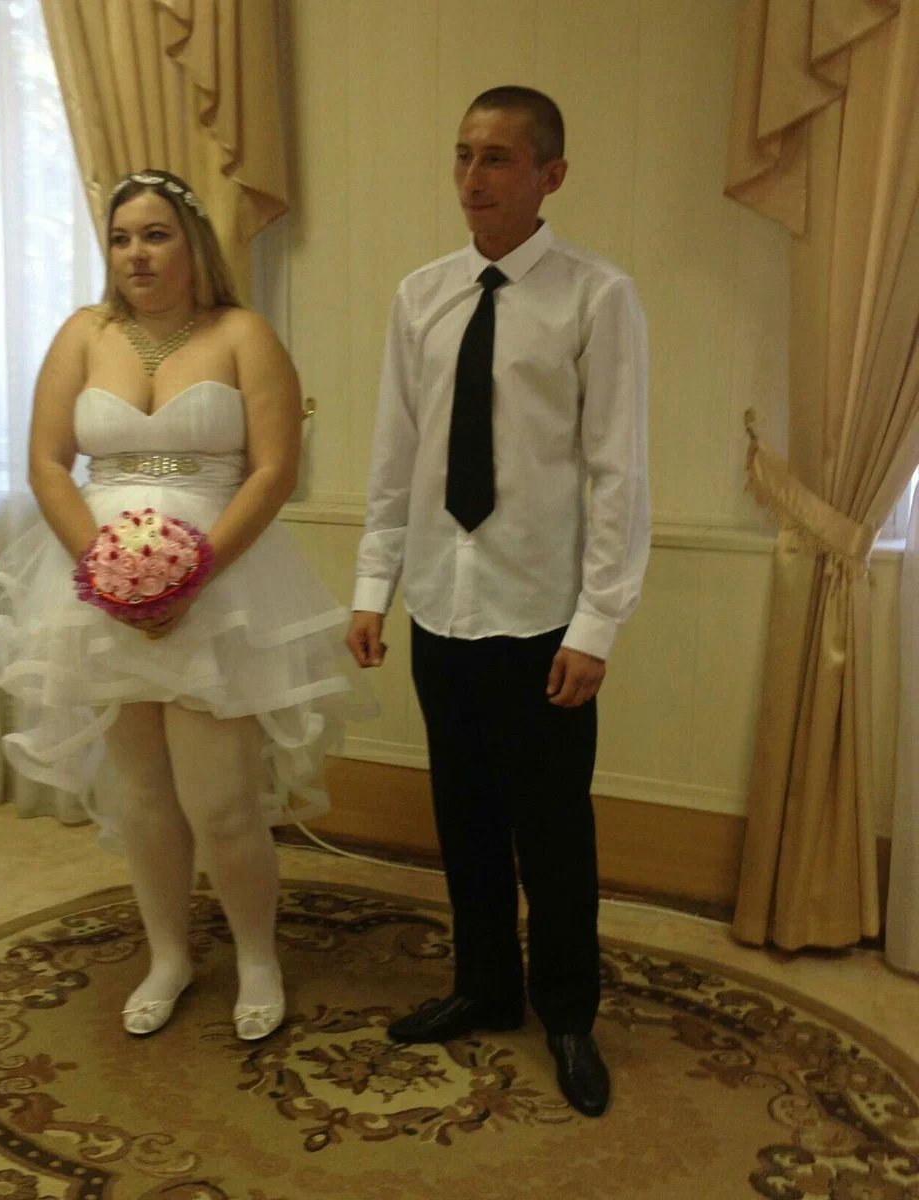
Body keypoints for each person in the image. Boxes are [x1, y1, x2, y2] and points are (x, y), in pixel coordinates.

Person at [0, 169, 365, 1042]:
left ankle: (256, 957)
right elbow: (47, 463)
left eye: (155, 235)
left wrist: (192, 573)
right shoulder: (82, 334)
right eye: (121, 239)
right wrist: (105, 571)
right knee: (143, 796)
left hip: (223, 589)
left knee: (221, 801)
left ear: (193, 244)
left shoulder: (243, 334)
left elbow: (274, 470)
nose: (136, 255)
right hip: (98, 592)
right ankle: (169, 955)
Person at [346, 87, 650, 1117]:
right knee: (464, 816)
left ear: (550, 175)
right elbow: (396, 458)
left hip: (543, 620)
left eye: (499, 159)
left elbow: (617, 473)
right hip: (442, 606)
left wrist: (597, 625)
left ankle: (567, 1012)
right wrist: (373, 588)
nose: (473, 178)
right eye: (464, 155)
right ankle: (484, 985)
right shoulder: (420, 296)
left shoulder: (596, 298)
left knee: (553, 830)